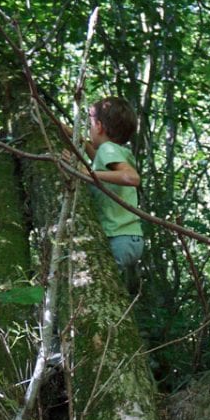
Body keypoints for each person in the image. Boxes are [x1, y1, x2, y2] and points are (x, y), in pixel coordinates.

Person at [71, 97, 144, 283]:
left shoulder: (108, 150)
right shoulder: (116, 151)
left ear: (99, 127)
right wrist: (76, 138)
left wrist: (87, 174)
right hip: (131, 239)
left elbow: (131, 177)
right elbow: (99, 160)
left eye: (90, 124)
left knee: (97, 282)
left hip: (117, 238)